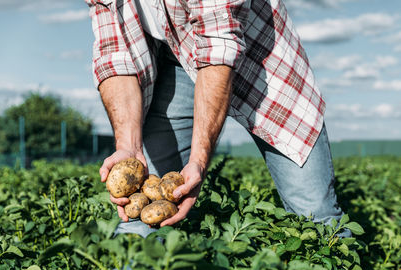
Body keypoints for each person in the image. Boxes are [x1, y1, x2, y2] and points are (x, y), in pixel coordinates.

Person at [85, 0, 348, 237]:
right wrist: (128, 147)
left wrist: (199, 160)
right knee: (140, 215)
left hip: (263, 61)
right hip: (171, 59)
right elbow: (114, 55)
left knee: (316, 217)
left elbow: (218, 44)